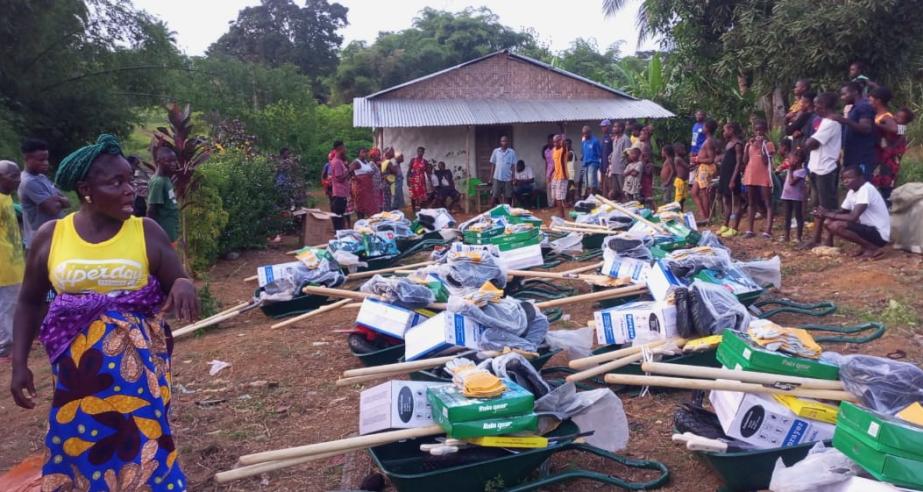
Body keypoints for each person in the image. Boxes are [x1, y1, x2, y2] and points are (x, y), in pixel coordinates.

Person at [9, 134, 198, 490]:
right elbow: (30, 300)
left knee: (144, 438)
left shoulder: (145, 232)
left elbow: (176, 277)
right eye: (116, 182)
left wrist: (183, 284)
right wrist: (19, 364)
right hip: (76, 374)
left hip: (138, 369)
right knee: (84, 440)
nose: (130, 190)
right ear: (86, 190)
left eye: (130, 180)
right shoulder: (53, 236)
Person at [799, 92, 842, 249]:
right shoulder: (824, 121)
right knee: (819, 206)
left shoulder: (831, 124)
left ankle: (828, 239)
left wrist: (805, 143)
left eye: (818, 105)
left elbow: (812, 143)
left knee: (828, 206)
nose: (815, 107)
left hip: (825, 169)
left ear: (825, 106)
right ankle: (816, 238)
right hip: (816, 167)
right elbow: (811, 143)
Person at [820, 166, 890, 259]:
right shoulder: (852, 192)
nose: (845, 181)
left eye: (849, 178)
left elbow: (853, 217)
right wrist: (824, 212)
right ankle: (866, 246)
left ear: (860, 177)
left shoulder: (866, 189)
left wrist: (828, 214)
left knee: (837, 225)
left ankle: (872, 248)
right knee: (829, 222)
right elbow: (842, 211)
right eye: (843, 179)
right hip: (868, 230)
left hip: (879, 234)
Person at [19, 138, 69, 250]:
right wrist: (58, 199)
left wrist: (57, 199)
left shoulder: (41, 177)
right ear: (27, 159)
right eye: (41, 160)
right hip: (40, 242)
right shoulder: (29, 182)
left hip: (53, 237)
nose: (46, 163)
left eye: (46, 159)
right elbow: (53, 209)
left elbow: (67, 202)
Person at [734, 120, 776, 239]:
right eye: (757, 130)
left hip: (763, 176)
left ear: (765, 131)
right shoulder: (750, 144)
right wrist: (748, 146)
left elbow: (765, 161)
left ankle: (768, 230)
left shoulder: (768, 144)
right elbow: (745, 161)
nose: (759, 132)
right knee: (751, 203)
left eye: (761, 129)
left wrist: (762, 146)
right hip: (751, 175)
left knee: (767, 202)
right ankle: (750, 230)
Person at [0, 160, 23, 359]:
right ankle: (5, 348)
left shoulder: (6, 198)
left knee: (11, 306)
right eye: (13, 176)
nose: (18, 180)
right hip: (4, 267)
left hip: (14, 264)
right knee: (6, 309)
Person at [868, 86, 905, 203]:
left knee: (885, 187)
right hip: (880, 157)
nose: (869, 101)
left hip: (885, 159)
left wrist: (876, 125)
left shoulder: (886, 117)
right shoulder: (878, 115)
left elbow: (897, 130)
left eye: (871, 99)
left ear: (878, 101)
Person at [834, 82, 876, 181]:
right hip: (852, 155)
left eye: (844, 94)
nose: (842, 97)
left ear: (855, 92)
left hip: (861, 156)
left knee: (862, 185)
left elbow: (866, 128)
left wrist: (844, 120)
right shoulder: (854, 107)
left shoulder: (864, 107)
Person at [146, 146, 180, 244]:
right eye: (169, 161)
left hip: (170, 233)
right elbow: (151, 210)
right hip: (163, 236)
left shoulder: (166, 179)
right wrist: (151, 235)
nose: (173, 164)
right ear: (159, 161)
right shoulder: (158, 182)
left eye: (174, 161)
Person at [718, 123, 744, 237]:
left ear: (731, 130)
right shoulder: (728, 144)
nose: (724, 133)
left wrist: (733, 179)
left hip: (733, 176)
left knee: (736, 202)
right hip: (724, 175)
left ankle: (735, 228)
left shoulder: (738, 144)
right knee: (726, 200)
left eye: (725, 130)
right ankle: (726, 224)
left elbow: (738, 162)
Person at [692, 120, 719, 224]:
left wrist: (698, 160)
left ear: (707, 129)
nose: (702, 128)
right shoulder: (708, 140)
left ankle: (707, 217)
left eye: (704, 127)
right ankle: (703, 214)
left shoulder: (709, 141)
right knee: (694, 192)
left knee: (704, 194)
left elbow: (711, 159)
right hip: (702, 168)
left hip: (706, 169)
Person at [780, 148, 808, 243]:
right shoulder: (790, 169)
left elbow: (791, 182)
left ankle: (798, 237)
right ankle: (786, 236)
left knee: (798, 216)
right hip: (786, 195)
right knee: (787, 216)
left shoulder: (802, 171)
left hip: (796, 197)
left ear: (798, 159)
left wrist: (791, 170)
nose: (789, 160)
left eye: (791, 158)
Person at [350, 147, 379, 218]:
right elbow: (349, 170)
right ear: (359, 153)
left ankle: (367, 223)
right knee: (360, 206)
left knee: (369, 206)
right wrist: (356, 178)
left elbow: (369, 170)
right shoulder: (356, 162)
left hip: (368, 187)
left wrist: (370, 173)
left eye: (366, 152)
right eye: (363, 152)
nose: (365, 154)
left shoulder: (366, 162)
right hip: (361, 187)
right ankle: (360, 222)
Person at [489, 136, 517, 206]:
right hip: (497, 177)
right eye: (502, 141)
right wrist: (490, 178)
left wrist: (513, 177)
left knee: (508, 197)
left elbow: (513, 166)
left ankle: (508, 212)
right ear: (500, 142)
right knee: (494, 195)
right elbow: (493, 165)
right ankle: (491, 212)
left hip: (508, 178)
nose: (504, 142)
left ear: (508, 142)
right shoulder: (496, 151)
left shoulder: (512, 152)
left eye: (505, 141)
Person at [329, 141, 350, 230]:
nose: (346, 149)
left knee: (340, 217)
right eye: (344, 147)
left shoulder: (340, 161)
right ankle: (338, 235)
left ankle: (340, 233)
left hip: (342, 193)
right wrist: (350, 170)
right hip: (339, 194)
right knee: (338, 218)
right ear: (339, 148)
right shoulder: (337, 162)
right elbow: (339, 178)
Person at [608, 121, 630, 201]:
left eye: (615, 126)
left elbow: (628, 154)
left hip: (621, 169)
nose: (613, 128)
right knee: (616, 192)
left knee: (623, 190)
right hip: (614, 169)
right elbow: (615, 151)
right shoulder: (615, 139)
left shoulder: (625, 139)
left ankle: (626, 206)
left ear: (620, 128)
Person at [578, 126, 602, 199]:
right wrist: (583, 157)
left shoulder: (595, 141)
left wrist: (598, 163)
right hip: (585, 163)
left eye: (586, 133)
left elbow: (599, 153)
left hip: (593, 163)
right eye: (583, 133)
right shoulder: (584, 141)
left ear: (590, 133)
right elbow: (582, 152)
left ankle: (592, 198)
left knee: (592, 182)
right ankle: (589, 197)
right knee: (587, 183)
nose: (585, 135)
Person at [549, 135, 569, 218]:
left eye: (557, 141)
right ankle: (561, 213)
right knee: (554, 197)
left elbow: (564, 146)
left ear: (560, 141)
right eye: (554, 141)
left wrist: (563, 138)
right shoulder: (553, 150)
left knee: (559, 197)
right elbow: (554, 164)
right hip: (555, 176)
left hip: (562, 177)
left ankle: (562, 215)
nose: (555, 143)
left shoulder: (563, 150)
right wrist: (550, 173)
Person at [673, 143, 690, 209]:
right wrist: (696, 164)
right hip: (680, 181)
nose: (684, 151)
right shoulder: (678, 159)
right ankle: (678, 211)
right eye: (682, 149)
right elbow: (687, 167)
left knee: (682, 198)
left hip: (684, 181)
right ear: (677, 151)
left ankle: (681, 210)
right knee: (679, 199)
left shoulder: (680, 158)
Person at [600, 119, 612, 197]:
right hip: (602, 164)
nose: (602, 128)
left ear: (608, 126)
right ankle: (604, 198)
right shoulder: (603, 137)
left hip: (609, 165)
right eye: (602, 127)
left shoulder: (611, 137)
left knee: (610, 183)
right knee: (603, 182)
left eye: (604, 126)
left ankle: (611, 198)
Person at [542, 134, 555, 208]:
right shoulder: (546, 151)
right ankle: (550, 204)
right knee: (548, 189)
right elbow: (546, 162)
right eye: (549, 141)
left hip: (555, 172)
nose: (550, 142)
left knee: (554, 189)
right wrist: (546, 173)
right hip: (548, 172)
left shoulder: (556, 150)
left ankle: (554, 204)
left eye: (551, 141)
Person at [564, 138, 577, 204]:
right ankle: (572, 200)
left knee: (568, 187)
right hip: (570, 172)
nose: (566, 145)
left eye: (567, 144)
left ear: (570, 144)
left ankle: (569, 201)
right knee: (572, 187)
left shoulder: (570, 153)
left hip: (569, 172)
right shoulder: (572, 151)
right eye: (565, 144)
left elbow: (564, 159)